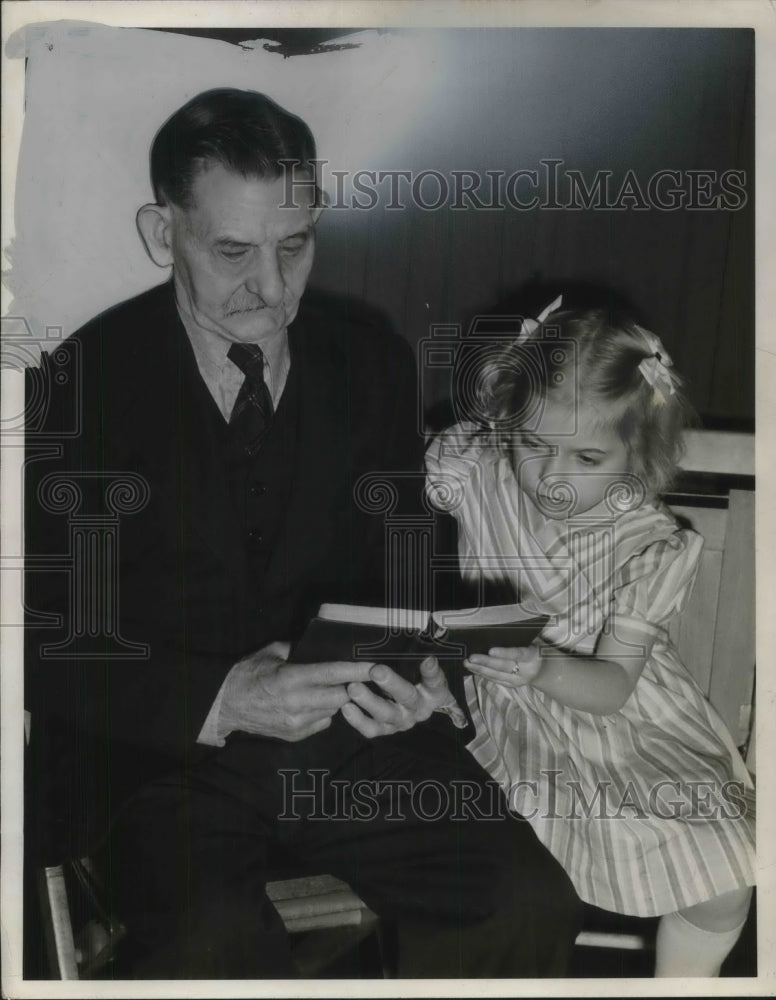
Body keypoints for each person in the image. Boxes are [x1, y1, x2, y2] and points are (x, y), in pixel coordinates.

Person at [24, 89, 581, 978]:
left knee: (527, 901)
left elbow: (408, 577)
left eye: (295, 246)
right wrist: (222, 699)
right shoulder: (79, 385)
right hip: (161, 768)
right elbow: (41, 638)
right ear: (162, 232)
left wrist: (426, 674)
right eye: (235, 251)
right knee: (217, 945)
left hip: (357, 741)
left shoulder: (370, 360)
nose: (273, 289)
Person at [426, 299, 756, 977]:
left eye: (587, 455)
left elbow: (612, 689)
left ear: (641, 453)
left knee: (727, 875)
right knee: (513, 876)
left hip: (618, 712)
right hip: (502, 708)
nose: (551, 476)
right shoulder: (480, 474)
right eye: (533, 444)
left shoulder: (649, 547)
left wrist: (544, 665)